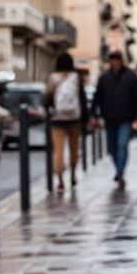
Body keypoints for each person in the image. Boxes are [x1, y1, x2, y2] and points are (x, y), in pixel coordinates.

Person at [90, 49, 137, 189]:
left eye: (117, 60)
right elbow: (97, 97)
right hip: (110, 118)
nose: (114, 63)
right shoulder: (104, 78)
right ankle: (118, 169)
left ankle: (120, 172)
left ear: (121, 61)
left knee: (122, 144)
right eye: (112, 60)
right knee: (112, 147)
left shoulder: (131, 77)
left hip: (126, 117)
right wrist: (94, 115)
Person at [44, 51, 88, 193]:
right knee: (74, 149)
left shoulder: (53, 78)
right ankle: (73, 174)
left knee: (58, 150)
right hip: (74, 118)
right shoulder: (76, 78)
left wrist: (48, 111)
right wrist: (85, 119)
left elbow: (46, 99)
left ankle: (60, 180)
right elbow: (82, 99)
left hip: (57, 119)